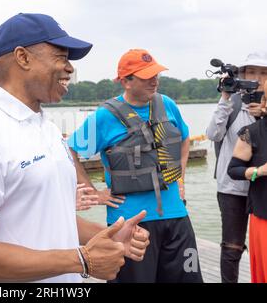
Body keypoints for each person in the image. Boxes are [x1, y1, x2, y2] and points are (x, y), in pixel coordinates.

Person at [0, 13, 150, 283]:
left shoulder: (47, 129)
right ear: (23, 58)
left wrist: (104, 235)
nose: (69, 68)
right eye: (61, 57)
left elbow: (53, 215)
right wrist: (82, 260)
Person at [69, 49, 203, 283]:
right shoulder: (104, 117)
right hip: (130, 223)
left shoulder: (167, 104)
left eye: (156, 74)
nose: (154, 80)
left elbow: (183, 138)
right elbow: (70, 150)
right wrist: (93, 193)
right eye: (146, 76)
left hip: (177, 218)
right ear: (125, 81)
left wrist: (179, 178)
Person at [206, 51, 267, 283]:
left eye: (263, 73)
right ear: (242, 74)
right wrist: (224, 99)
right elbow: (213, 134)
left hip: (262, 187)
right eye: (252, 71)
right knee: (232, 246)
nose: (258, 77)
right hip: (233, 186)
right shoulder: (231, 103)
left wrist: (263, 115)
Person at [227, 79, 267, 283]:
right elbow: (233, 170)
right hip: (264, 217)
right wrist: (258, 171)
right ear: (265, 103)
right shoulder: (252, 132)